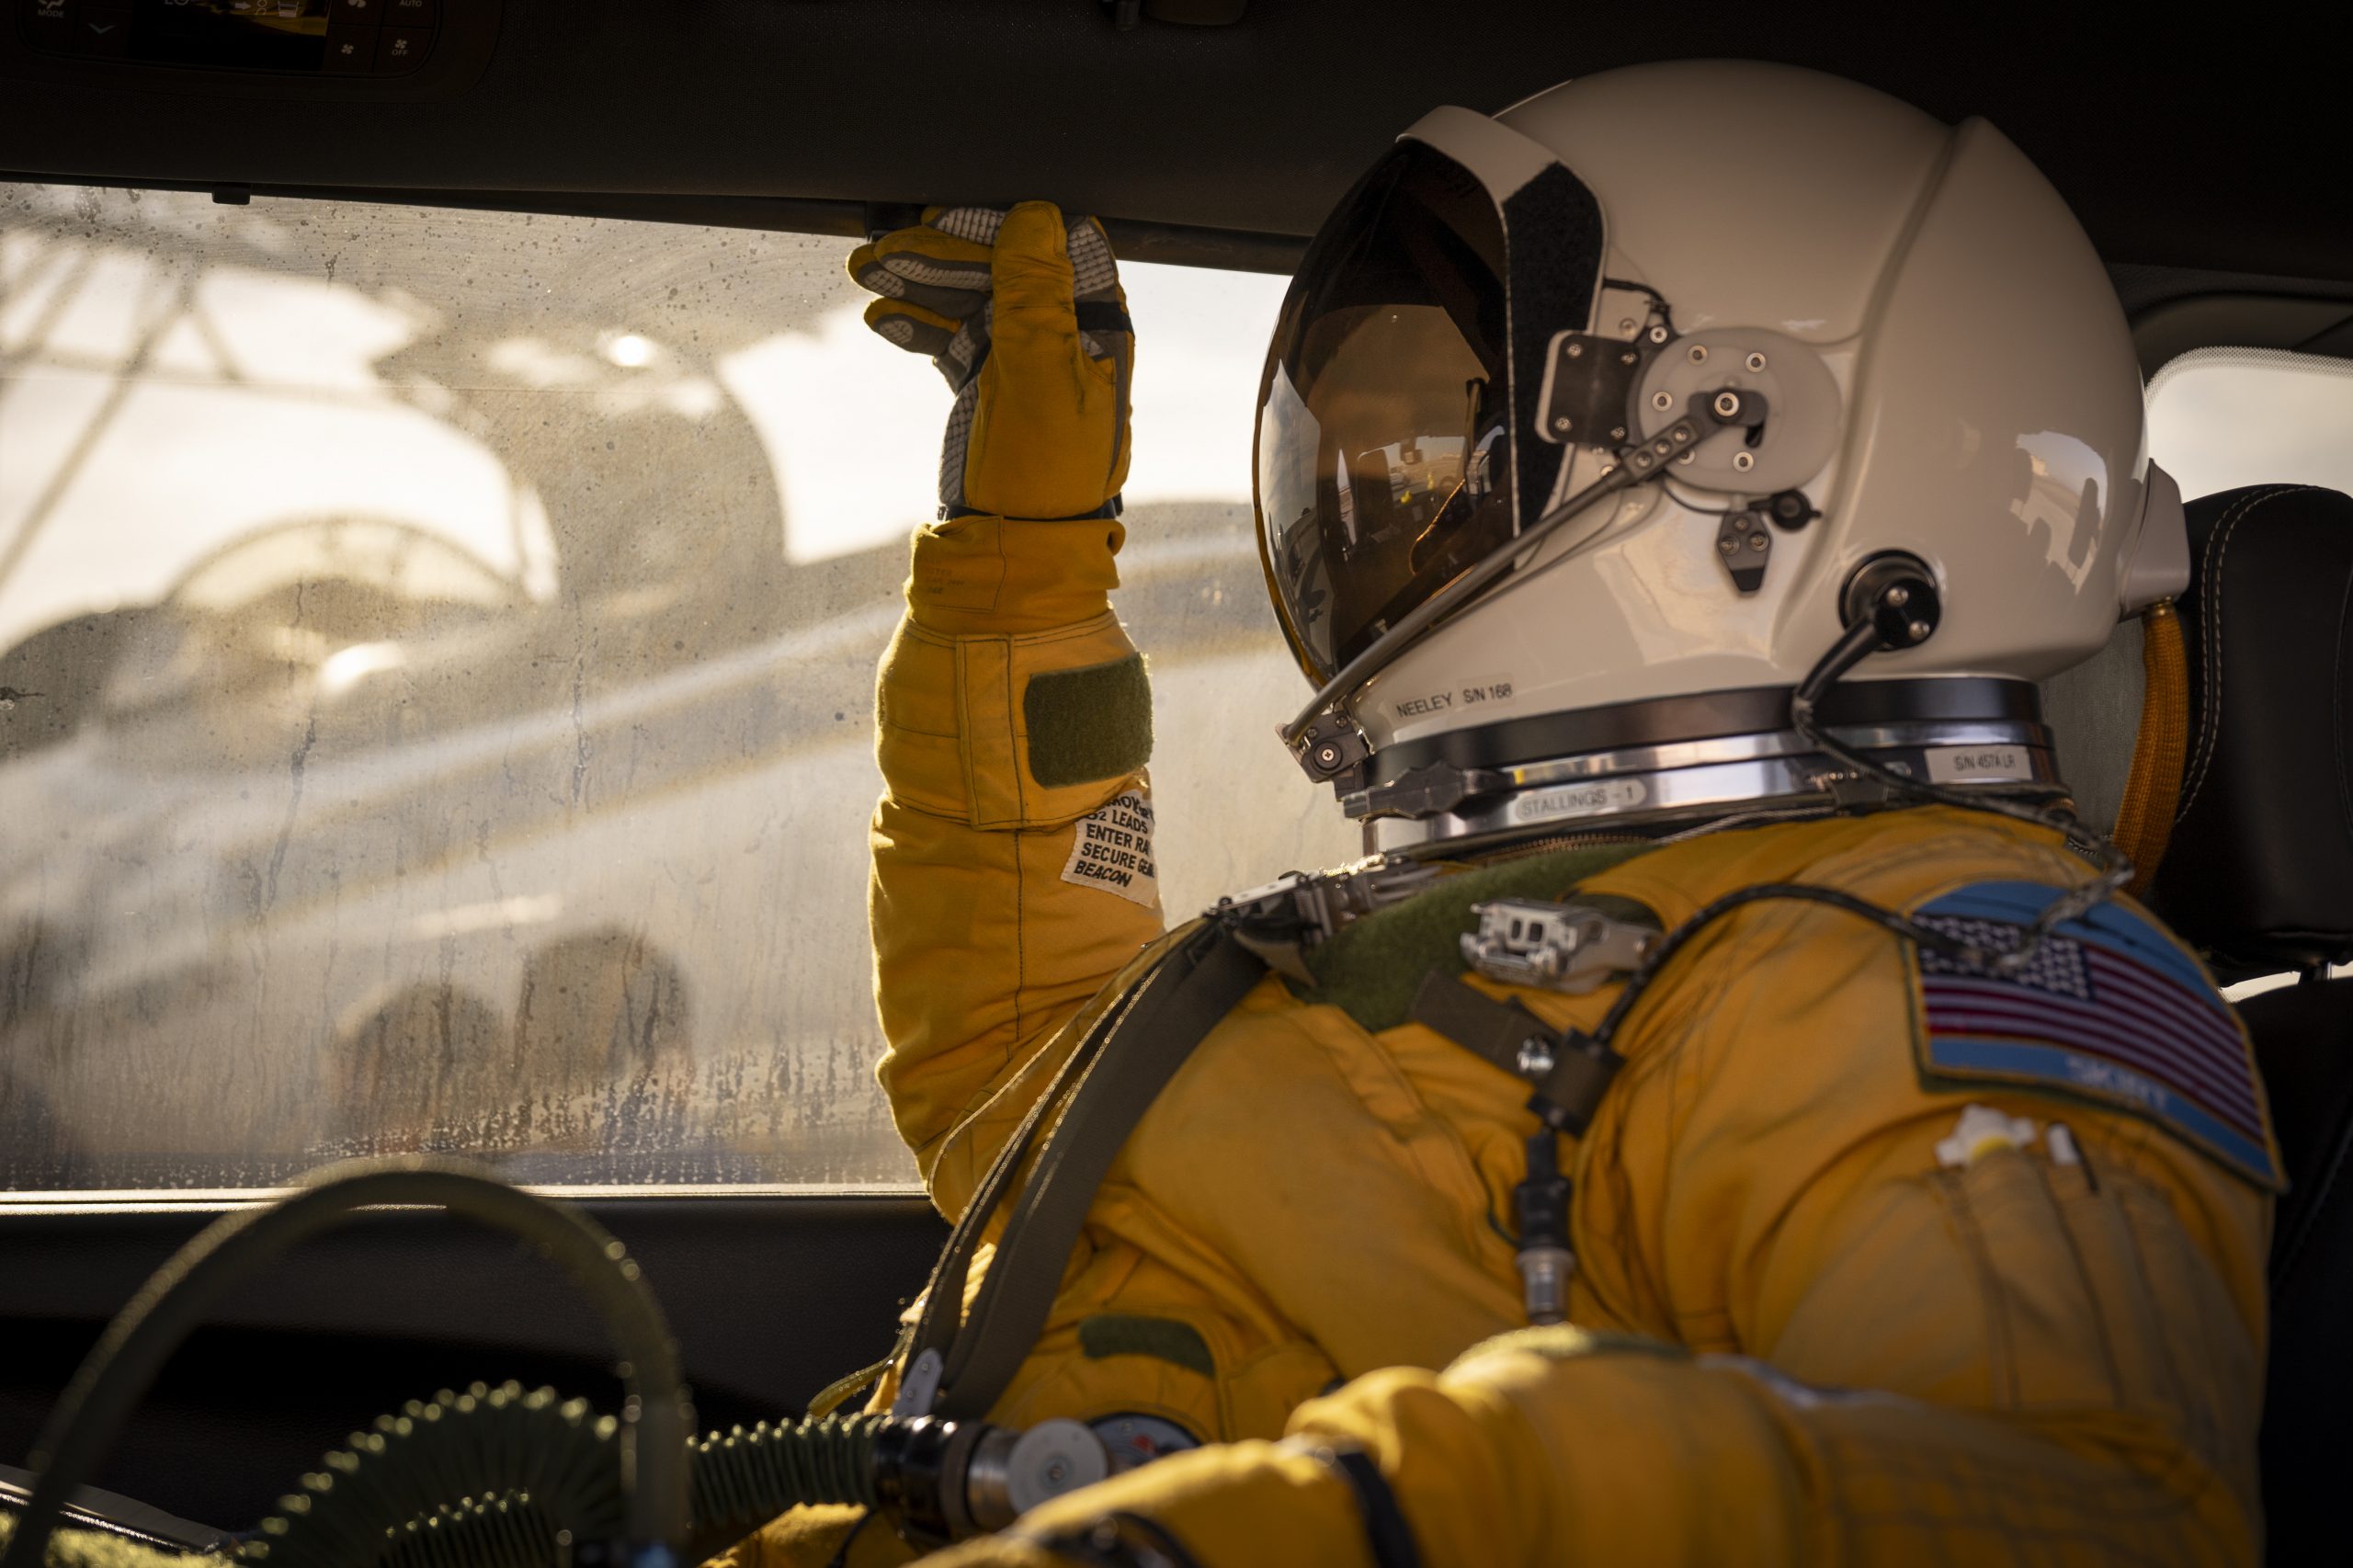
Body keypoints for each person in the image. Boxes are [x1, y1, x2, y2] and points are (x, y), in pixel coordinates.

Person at [722, 60, 2275, 1568]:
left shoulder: (1970, 964)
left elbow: (2080, 1512)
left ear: (1737, 433)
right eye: (1363, 447)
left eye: (1431, 445)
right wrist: (1023, 552)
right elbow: (1026, 1061)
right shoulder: (1542, 914)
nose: (1372, 495)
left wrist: (1423, 1501)